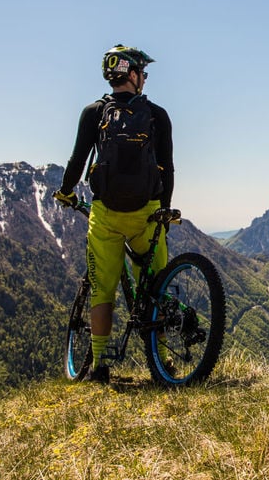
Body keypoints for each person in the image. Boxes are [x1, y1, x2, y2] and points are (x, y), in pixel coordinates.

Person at [54, 45, 174, 383]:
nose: (144, 79)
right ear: (132, 75)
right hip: (147, 215)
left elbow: (78, 160)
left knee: (102, 292)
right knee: (156, 290)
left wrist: (66, 191)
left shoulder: (94, 112)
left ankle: (100, 365)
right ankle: (163, 361)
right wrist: (164, 211)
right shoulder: (157, 115)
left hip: (106, 216)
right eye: (143, 73)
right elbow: (167, 169)